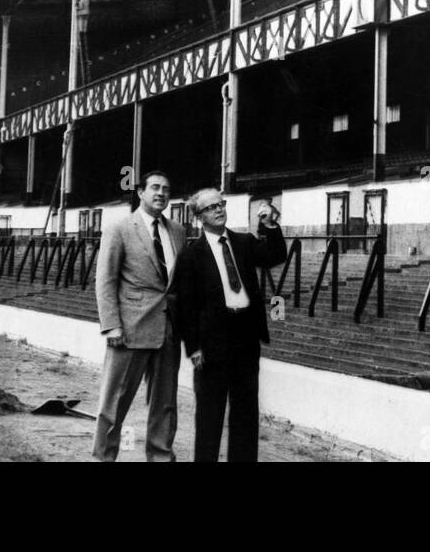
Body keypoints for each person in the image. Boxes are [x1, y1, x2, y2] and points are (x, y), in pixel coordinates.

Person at [174, 188, 286, 463]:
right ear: (199, 216)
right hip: (212, 342)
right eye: (211, 207)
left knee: (246, 412)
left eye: (221, 204)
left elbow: (275, 255)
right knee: (210, 414)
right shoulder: (191, 255)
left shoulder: (244, 242)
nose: (219, 210)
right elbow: (185, 306)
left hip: (245, 336)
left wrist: (270, 224)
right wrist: (193, 348)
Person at [93, 170, 186, 462]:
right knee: (115, 403)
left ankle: (160, 456)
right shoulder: (120, 228)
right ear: (141, 192)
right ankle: (103, 457)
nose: (161, 193)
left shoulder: (178, 231)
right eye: (155, 188)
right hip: (129, 330)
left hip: (168, 331)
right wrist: (111, 326)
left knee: (165, 404)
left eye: (167, 189)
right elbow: (105, 279)